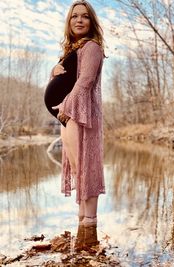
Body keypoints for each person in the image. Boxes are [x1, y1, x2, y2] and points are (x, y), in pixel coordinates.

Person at [50, 0, 105, 227]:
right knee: (77, 169)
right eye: (75, 16)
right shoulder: (73, 50)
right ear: (69, 22)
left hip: (80, 114)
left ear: (91, 21)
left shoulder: (92, 47)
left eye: (84, 16)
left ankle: (89, 226)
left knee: (86, 168)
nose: (79, 20)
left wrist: (65, 108)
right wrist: (53, 71)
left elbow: (86, 81)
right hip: (68, 115)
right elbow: (63, 82)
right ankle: (82, 226)